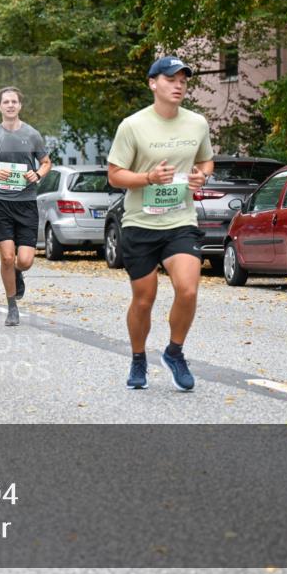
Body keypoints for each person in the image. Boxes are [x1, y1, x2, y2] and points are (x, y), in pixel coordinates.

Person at [106, 56, 215, 392]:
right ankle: (138, 357)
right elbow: (114, 175)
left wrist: (201, 177)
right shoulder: (133, 126)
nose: (178, 84)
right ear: (153, 83)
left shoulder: (197, 123)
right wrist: (148, 178)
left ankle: (174, 351)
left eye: (183, 79)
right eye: (170, 79)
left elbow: (206, 161)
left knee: (189, 288)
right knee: (144, 298)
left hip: (180, 221)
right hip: (140, 224)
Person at [0, 87, 52, 326]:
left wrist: (38, 175)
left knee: (25, 260)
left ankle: (18, 272)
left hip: (26, 203)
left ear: (20, 106)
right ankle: (11, 306)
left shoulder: (32, 135)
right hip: (0, 204)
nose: (10, 105)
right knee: (7, 257)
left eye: (14, 102)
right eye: (5, 102)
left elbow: (46, 162)